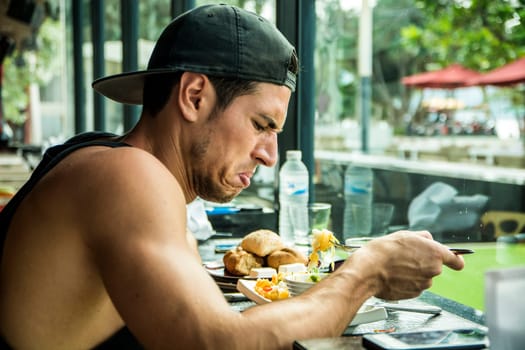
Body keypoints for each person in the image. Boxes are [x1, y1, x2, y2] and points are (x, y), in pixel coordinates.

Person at [0, 4, 464, 349]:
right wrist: (367, 272)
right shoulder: (127, 176)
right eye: (261, 125)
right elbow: (216, 343)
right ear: (195, 95)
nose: (269, 155)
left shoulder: (103, 160)